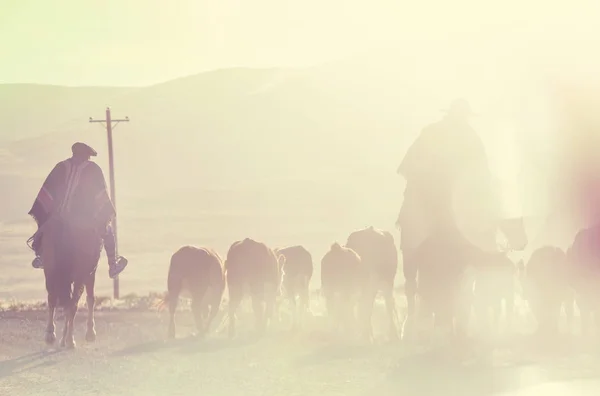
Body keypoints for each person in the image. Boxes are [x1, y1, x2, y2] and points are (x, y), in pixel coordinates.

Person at [395, 99, 496, 317]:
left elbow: (406, 168)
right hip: (445, 202)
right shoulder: (470, 138)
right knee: (476, 238)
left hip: (427, 201)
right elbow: (483, 177)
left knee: (411, 235)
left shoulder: (431, 133)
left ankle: (414, 291)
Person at [27, 142, 128, 279]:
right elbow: (100, 196)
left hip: (59, 216)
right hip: (84, 219)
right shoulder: (93, 169)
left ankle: (42, 256)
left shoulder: (61, 166)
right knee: (108, 231)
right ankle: (113, 265)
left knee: (44, 230)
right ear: (87, 155)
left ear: (73, 153)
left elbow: (48, 191)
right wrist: (100, 214)